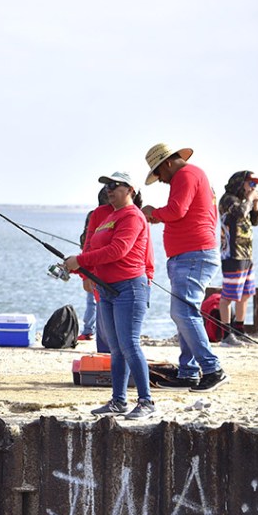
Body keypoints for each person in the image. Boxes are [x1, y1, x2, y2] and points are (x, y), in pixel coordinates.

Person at [65, 172, 156, 419]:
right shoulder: (108, 216)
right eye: (108, 185)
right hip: (105, 289)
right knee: (115, 349)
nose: (110, 189)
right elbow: (95, 249)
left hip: (130, 287)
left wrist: (80, 260)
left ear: (131, 190)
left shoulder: (133, 216)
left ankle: (146, 401)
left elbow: (118, 250)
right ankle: (118, 401)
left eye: (116, 185)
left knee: (129, 344)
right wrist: (81, 271)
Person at [141, 143, 228, 391]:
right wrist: (160, 215)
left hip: (193, 254)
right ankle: (189, 371)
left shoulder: (186, 175)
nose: (159, 180)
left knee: (183, 313)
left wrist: (152, 212)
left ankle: (212, 369)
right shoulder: (191, 175)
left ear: (167, 163)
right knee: (186, 313)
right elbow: (184, 212)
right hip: (190, 255)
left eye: (158, 174)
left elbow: (176, 210)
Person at [218, 170, 258, 346]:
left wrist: (255, 205)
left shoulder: (244, 202)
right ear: (239, 182)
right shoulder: (228, 199)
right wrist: (250, 200)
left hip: (246, 254)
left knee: (245, 294)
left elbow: (254, 221)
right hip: (232, 254)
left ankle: (239, 330)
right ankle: (226, 335)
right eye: (250, 184)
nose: (253, 188)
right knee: (228, 296)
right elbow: (239, 214)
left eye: (254, 185)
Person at [77, 188, 109, 345]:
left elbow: (85, 240)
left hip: (94, 268)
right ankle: (89, 330)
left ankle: (88, 330)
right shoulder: (96, 215)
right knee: (95, 301)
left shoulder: (93, 215)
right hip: (93, 267)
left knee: (93, 301)